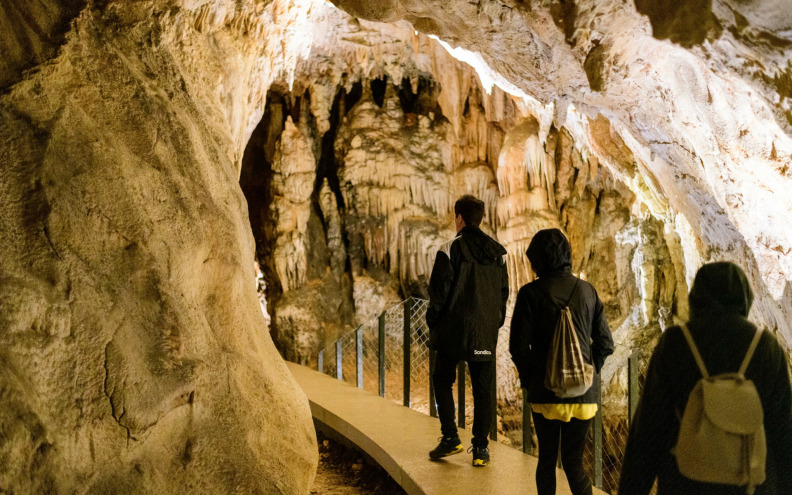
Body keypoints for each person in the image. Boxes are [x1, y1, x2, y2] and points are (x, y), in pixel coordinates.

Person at [619, 262, 792, 495]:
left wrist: (632, 489)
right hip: (750, 483)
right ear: (745, 298)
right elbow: (783, 431)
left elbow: (650, 427)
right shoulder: (766, 347)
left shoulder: (676, 343)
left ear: (696, 297)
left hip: (686, 482)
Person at [510, 228, 614, 495]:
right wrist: (588, 371)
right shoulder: (588, 291)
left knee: (546, 459)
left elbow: (518, 347)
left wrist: (532, 380)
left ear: (538, 260)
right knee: (574, 463)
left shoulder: (529, 293)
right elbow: (605, 343)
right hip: (583, 394)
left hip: (545, 393)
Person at [426, 195, 509, 467]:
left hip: (452, 330)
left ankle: (451, 437)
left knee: (442, 379)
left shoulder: (450, 248)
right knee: (483, 390)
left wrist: (433, 321)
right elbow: (503, 294)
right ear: (479, 219)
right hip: (483, 332)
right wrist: (493, 324)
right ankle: (481, 449)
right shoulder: (497, 253)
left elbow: (438, 292)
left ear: (459, 218)